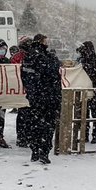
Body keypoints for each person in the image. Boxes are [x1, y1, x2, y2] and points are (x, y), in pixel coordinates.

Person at [20, 34, 62, 165]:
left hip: (35, 98)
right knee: (47, 126)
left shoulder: (28, 58)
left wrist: (32, 93)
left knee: (34, 125)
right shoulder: (44, 58)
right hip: (47, 98)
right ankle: (43, 151)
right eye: (45, 41)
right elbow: (52, 74)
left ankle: (35, 150)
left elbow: (25, 77)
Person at [76, 41, 96, 144]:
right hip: (88, 90)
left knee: (90, 114)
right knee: (86, 114)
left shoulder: (85, 61)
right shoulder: (92, 61)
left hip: (90, 91)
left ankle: (92, 135)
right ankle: (90, 135)